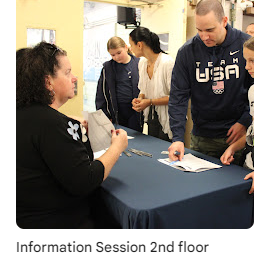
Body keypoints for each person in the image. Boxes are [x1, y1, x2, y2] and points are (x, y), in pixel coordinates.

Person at [16, 42, 128, 229]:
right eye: (67, 73)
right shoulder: (52, 124)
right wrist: (117, 146)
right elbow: (86, 180)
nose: (74, 78)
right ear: (48, 82)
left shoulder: (24, 114)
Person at [168, 0, 253, 163]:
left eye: (210, 29)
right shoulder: (187, 52)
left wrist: (244, 121)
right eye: (199, 30)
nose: (204, 36)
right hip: (203, 137)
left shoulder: (245, 45)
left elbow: (258, 89)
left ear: (224, 21)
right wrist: (177, 137)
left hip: (239, 135)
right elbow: (178, 97)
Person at [221, 37, 254, 194]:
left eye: (253, 60)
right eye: (246, 61)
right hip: (249, 166)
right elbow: (254, 132)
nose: (247, 66)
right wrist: (233, 148)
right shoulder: (253, 90)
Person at [130, 27, 174, 141]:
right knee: (153, 148)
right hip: (152, 114)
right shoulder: (142, 63)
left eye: (131, 44)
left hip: (169, 117)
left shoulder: (167, 62)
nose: (130, 48)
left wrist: (149, 102)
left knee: (165, 153)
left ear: (139, 45)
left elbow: (175, 97)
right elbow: (144, 89)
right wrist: (140, 100)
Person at [96, 36, 143, 132]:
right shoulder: (107, 68)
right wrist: (104, 115)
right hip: (115, 112)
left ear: (126, 47)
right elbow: (101, 94)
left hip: (135, 112)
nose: (116, 57)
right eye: (112, 55)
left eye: (119, 53)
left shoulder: (139, 64)